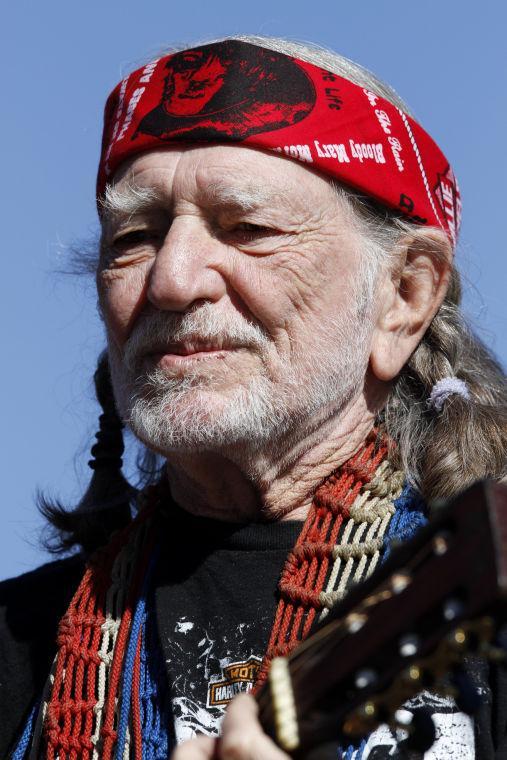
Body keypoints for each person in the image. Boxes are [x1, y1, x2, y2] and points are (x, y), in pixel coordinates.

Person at [2, 35, 506, 760]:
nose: (172, 280)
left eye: (249, 229)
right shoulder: (19, 638)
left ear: (403, 295)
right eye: (134, 238)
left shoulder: (482, 591)